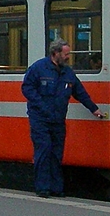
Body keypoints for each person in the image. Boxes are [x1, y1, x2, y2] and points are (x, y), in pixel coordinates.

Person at [21, 39, 105, 198]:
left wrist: (94, 109)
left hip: (58, 119)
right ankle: (43, 188)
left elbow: (80, 92)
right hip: (40, 119)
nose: (68, 57)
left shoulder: (68, 73)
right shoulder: (38, 68)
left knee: (56, 153)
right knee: (44, 150)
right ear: (55, 53)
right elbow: (27, 88)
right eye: (66, 54)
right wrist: (42, 106)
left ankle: (56, 188)